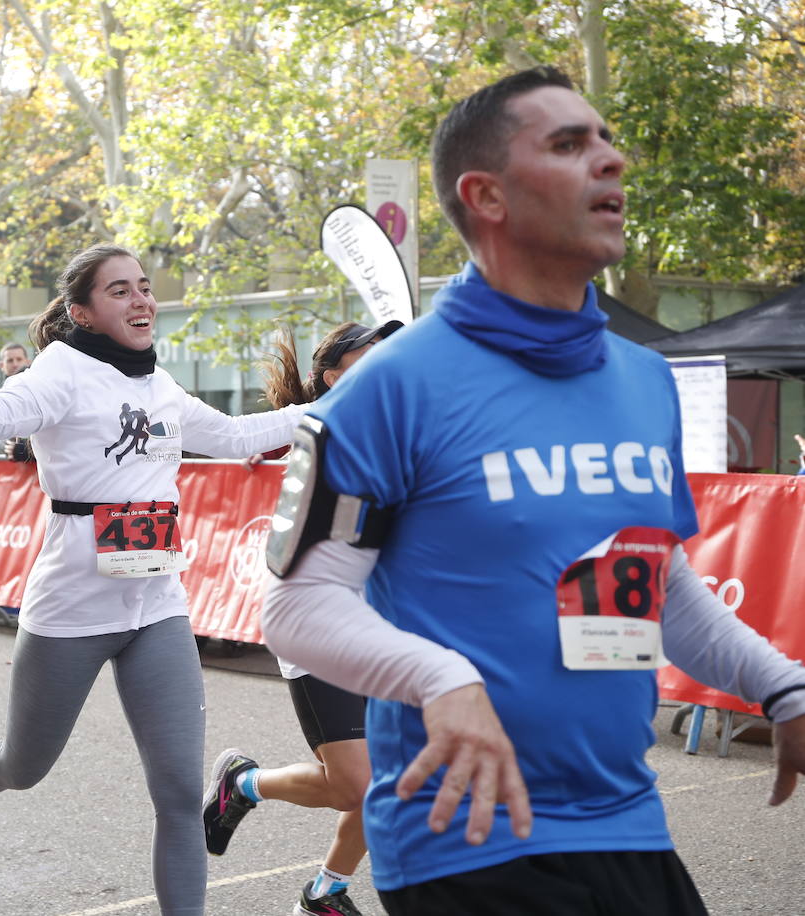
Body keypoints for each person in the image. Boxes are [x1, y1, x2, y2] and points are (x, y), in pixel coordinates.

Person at [260, 66, 805, 916]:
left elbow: (656, 581)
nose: (612, 161)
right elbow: (295, 608)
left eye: (607, 140)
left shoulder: (643, 381)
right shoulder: (390, 388)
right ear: (487, 196)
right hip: (460, 836)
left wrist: (780, 685)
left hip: (626, 820)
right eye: (569, 143)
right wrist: (440, 678)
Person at [0, 243, 307, 915]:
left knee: (177, 795)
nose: (141, 299)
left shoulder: (159, 383)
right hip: (72, 611)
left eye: (144, 287)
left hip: (156, 607)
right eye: (120, 290)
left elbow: (235, 437)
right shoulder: (63, 370)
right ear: (81, 312)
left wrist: (333, 408)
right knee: (22, 767)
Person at [203, 319, 400, 916]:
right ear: (331, 377)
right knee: (357, 786)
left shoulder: (394, 429)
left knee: (389, 783)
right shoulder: (319, 431)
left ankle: (325, 891)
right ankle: (241, 785)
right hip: (316, 622)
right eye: (366, 360)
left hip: (380, 626)